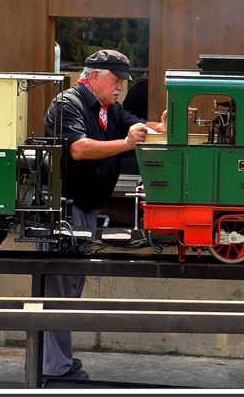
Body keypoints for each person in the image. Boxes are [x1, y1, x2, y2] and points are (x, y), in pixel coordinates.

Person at [40, 49, 166, 381]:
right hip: (65, 210)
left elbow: (137, 126)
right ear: (93, 76)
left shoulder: (109, 109)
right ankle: (53, 369)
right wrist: (126, 144)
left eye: (123, 81)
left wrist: (160, 129)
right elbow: (78, 148)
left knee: (70, 289)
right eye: (115, 80)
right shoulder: (68, 104)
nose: (120, 87)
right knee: (59, 291)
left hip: (87, 208)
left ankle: (59, 362)